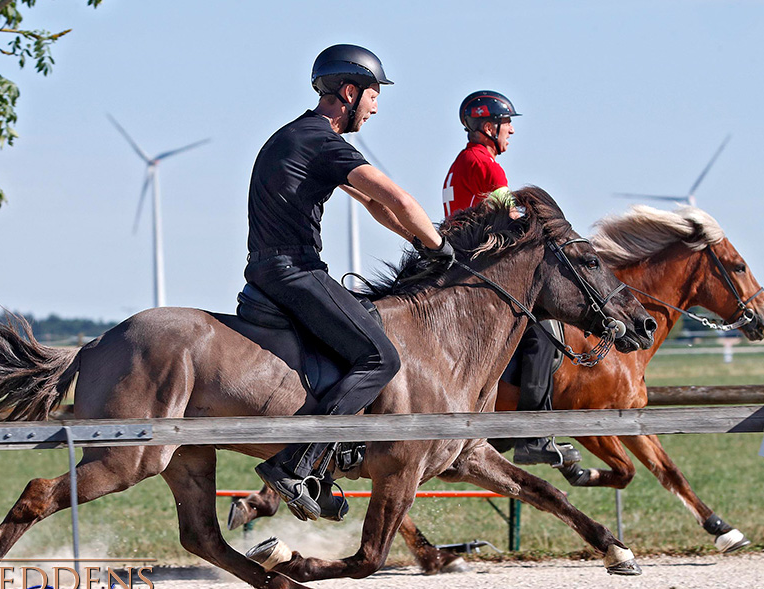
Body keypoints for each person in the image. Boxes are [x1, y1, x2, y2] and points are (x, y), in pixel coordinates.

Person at [247, 44, 454, 522]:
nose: (377, 106)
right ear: (350, 91)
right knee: (379, 356)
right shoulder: (322, 140)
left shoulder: (297, 136)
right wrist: (440, 245)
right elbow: (397, 197)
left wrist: (420, 243)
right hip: (293, 270)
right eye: (374, 95)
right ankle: (298, 466)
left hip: (269, 267)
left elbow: (373, 205)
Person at [442, 90, 580, 468]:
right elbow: (519, 221)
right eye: (507, 124)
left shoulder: (463, 161)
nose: (512, 132)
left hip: (462, 266)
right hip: (483, 272)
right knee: (546, 331)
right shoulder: (487, 165)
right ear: (489, 127)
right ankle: (533, 435)